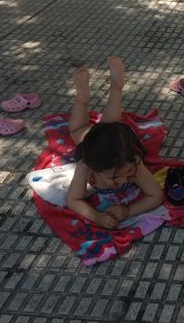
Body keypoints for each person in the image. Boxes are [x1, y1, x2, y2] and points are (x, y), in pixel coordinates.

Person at [66, 56, 165, 229]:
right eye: (114, 177)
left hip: (124, 136)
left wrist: (128, 210)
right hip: (99, 143)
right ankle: (84, 99)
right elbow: (73, 200)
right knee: (79, 132)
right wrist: (96, 217)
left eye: (128, 172)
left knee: (110, 125)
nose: (124, 179)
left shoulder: (133, 163)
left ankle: (115, 88)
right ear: (94, 170)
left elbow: (157, 196)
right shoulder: (85, 166)